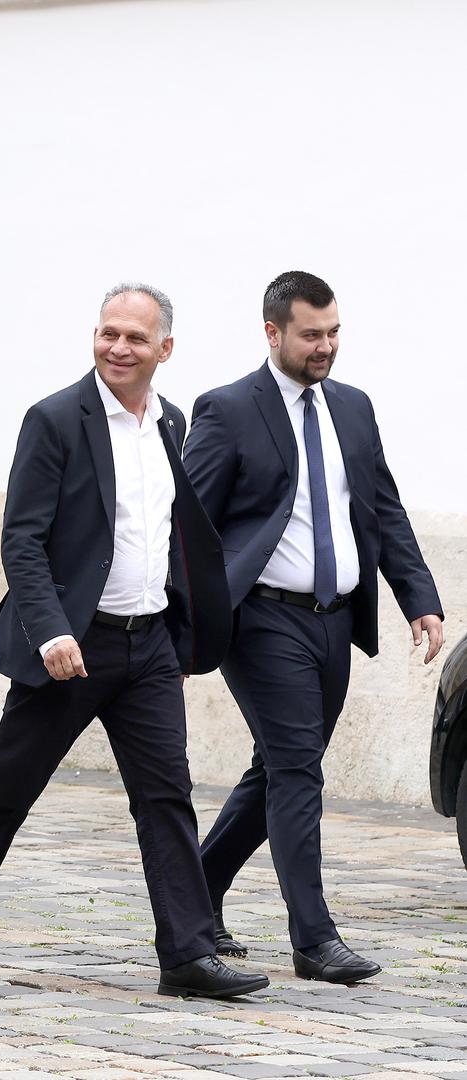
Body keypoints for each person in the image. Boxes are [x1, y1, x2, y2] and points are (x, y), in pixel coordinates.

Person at [0, 284, 265, 999]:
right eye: (107, 333)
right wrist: (48, 631)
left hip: (148, 647)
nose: (117, 348)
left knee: (166, 797)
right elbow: (23, 539)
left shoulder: (168, 422)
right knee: (6, 791)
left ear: (164, 349)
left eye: (134, 338)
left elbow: (170, 534)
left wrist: (187, 623)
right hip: (70, 650)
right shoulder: (54, 420)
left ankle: (187, 954)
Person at [188, 272, 446, 984]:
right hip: (261, 620)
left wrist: (417, 598)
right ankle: (314, 938)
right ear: (271, 332)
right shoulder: (228, 409)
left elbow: (382, 511)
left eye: (332, 332)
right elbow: (193, 527)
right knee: (299, 770)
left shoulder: (353, 408)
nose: (324, 347)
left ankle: (193, 895)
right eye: (310, 334)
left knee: (274, 767)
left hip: (333, 622)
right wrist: (184, 620)